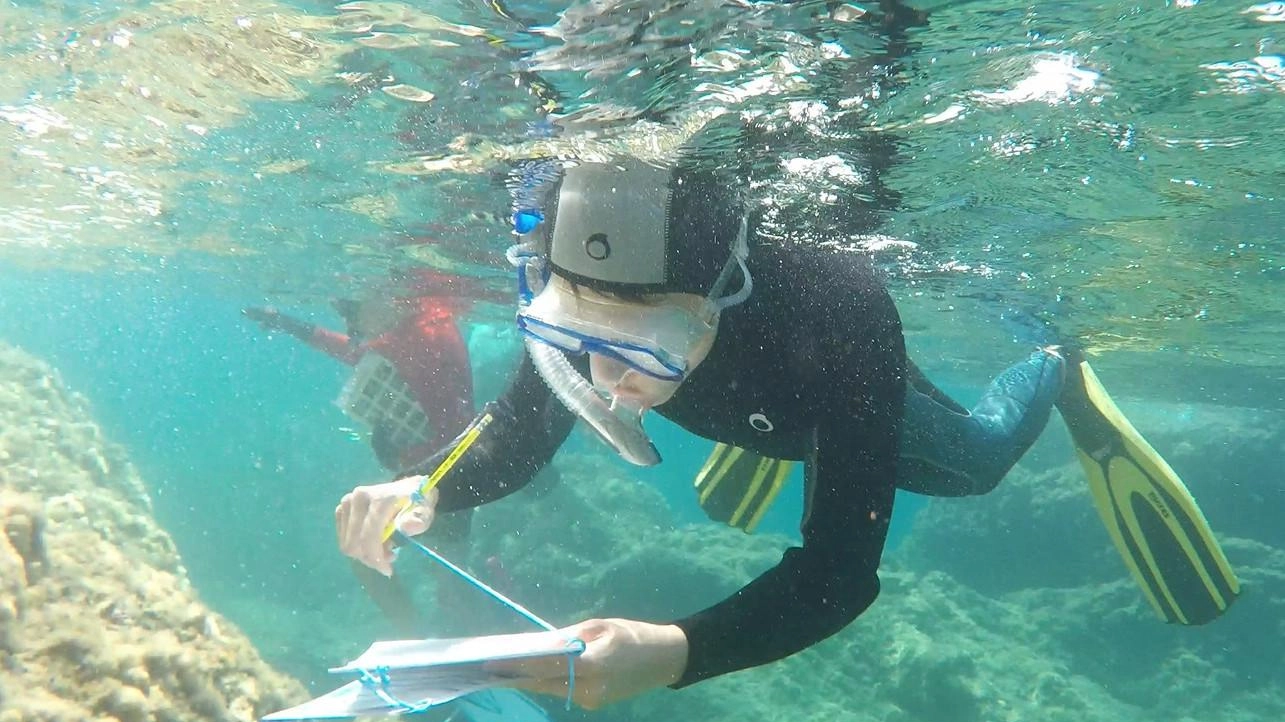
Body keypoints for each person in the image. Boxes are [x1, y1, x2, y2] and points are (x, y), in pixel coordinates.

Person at [333, 123, 1237, 708]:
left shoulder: (837, 310)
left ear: (720, 297)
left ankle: (1054, 366)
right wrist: (429, 488)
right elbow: (524, 427)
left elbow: (838, 574)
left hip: (820, 392)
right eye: (574, 330)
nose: (602, 376)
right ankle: (767, 437)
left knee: (975, 462)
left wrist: (675, 649)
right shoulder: (591, 299)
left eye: (641, 342)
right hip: (757, 403)